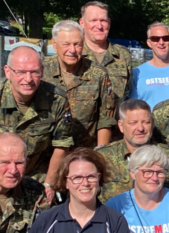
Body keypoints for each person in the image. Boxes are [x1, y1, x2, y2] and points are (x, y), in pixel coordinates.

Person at [0, 46, 75, 203]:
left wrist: (49, 184)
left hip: (35, 179)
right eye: (20, 72)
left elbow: (62, 145)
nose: (28, 79)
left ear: (42, 71)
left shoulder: (56, 100)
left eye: (34, 72)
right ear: (7, 71)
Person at [42, 20, 115, 149]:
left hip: (83, 152)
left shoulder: (98, 74)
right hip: (46, 153)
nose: (72, 50)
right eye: (66, 44)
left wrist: (101, 155)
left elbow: (105, 120)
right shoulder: (41, 71)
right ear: (54, 44)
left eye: (77, 44)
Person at [99, 99, 169, 201]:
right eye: (133, 123)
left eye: (145, 122)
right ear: (121, 126)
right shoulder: (103, 157)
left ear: (152, 123)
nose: (140, 128)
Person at [80, 1, 132, 106]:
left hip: (114, 120)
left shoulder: (123, 54)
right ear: (82, 23)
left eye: (103, 20)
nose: (99, 26)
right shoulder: (74, 53)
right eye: (93, 20)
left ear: (109, 22)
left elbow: (128, 93)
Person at [130, 22, 169, 108]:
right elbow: (133, 107)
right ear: (149, 43)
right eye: (156, 39)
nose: (161, 42)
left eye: (165, 38)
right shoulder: (137, 73)